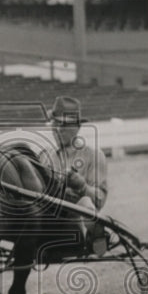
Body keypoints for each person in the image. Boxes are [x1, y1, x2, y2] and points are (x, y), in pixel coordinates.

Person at [37, 95, 108, 255]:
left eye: (64, 124)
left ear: (77, 127)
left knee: (86, 202)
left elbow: (100, 199)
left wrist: (82, 186)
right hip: (48, 218)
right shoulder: (43, 156)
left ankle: (96, 236)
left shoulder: (94, 155)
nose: (58, 129)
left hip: (76, 219)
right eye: (55, 123)